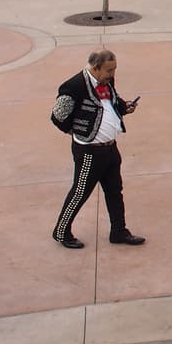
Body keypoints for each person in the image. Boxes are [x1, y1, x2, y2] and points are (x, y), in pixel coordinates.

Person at [50, 50, 144, 249]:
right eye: (109, 70)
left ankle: (118, 231)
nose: (112, 74)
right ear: (95, 68)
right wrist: (77, 133)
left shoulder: (106, 80)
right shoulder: (73, 86)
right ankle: (61, 231)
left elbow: (111, 102)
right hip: (89, 152)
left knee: (114, 191)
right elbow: (58, 116)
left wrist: (124, 107)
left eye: (114, 69)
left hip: (110, 149)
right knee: (80, 192)